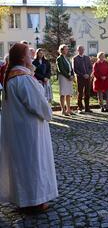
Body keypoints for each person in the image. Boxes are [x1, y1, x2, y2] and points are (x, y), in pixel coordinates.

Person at [0, 43, 58, 213]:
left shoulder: (11, 77)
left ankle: (24, 199)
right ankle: (35, 201)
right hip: (30, 131)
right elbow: (39, 105)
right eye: (28, 54)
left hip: (19, 129)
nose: (31, 56)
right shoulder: (23, 79)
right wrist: (48, 112)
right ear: (21, 58)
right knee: (33, 163)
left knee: (22, 163)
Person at [73, 46, 93, 113]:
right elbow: (75, 69)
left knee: (87, 93)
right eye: (80, 49)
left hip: (87, 78)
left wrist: (88, 74)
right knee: (80, 93)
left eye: (82, 49)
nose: (81, 50)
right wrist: (83, 75)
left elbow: (90, 67)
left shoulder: (87, 58)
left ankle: (87, 108)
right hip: (80, 78)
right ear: (78, 50)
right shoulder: (75, 58)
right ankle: (80, 108)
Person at [56, 44, 74, 116]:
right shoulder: (59, 58)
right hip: (63, 77)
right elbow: (61, 69)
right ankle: (63, 110)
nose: (67, 50)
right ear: (62, 50)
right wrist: (68, 76)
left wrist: (72, 75)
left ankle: (68, 109)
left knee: (68, 93)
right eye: (65, 49)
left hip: (69, 77)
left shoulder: (67, 58)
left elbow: (71, 68)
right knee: (63, 94)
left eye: (67, 49)